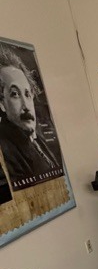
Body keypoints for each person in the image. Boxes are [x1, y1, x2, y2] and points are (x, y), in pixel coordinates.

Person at [0, 45, 63, 190]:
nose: (26, 106)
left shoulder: (37, 141)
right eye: (15, 94)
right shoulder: (6, 150)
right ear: (2, 103)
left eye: (27, 94)